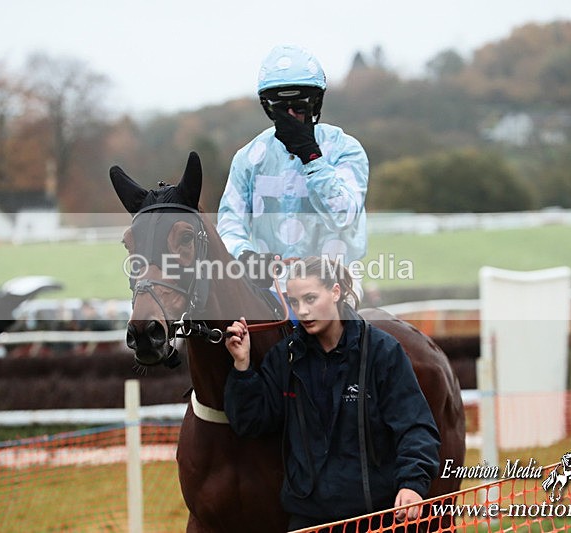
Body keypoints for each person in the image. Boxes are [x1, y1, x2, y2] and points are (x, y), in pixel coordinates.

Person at [224, 256, 440, 531]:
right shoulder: (285, 357)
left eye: (311, 298)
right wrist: (242, 366)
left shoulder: (382, 351)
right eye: (294, 302)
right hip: (307, 519)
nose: (302, 311)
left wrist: (412, 484)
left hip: (374, 518)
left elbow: (416, 426)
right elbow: (251, 421)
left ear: (336, 292)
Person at [217, 45, 369, 293]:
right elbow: (229, 223)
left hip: (335, 290)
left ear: (315, 103)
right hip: (271, 290)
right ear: (268, 108)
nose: (290, 115)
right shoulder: (247, 158)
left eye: (299, 107)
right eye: (281, 108)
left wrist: (312, 157)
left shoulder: (347, 149)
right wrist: (245, 257)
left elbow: (343, 217)